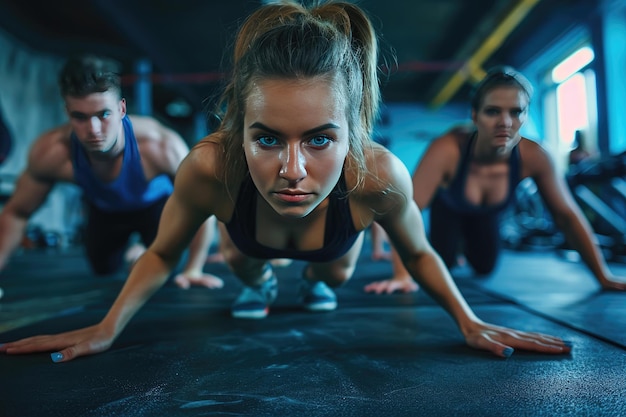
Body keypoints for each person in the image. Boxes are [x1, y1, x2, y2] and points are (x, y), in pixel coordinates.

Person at [0, 2, 571, 363]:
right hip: (249, 245)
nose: (292, 170)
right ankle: (261, 284)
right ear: (238, 127)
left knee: (333, 272)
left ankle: (315, 283)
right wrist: (107, 328)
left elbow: (419, 254)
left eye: (320, 139)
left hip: (332, 250)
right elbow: (162, 252)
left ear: (352, 133)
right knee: (245, 262)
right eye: (267, 138)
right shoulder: (208, 168)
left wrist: (468, 322)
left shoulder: (379, 176)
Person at [364, 66, 626, 295]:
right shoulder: (447, 149)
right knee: (442, 265)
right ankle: (452, 251)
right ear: (475, 116)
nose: (505, 122)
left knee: (484, 267)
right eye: (492, 112)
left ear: (525, 115)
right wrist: (402, 274)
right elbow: (404, 213)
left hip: (487, 217)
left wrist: (603, 276)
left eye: (516, 112)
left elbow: (567, 216)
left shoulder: (534, 156)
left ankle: (464, 250)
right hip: (449, 211)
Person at [0, 54, 223, 289]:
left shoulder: (160, 146)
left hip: (156, 207)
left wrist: (194, 268)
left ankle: (145, 251)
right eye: (80, 117)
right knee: (103, 268)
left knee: (170, 268)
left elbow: (200, 206)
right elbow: (17, 213)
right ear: (68, 113)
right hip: (105, 210)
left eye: (103, 114)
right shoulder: (53, 152)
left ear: (121, 109)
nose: (93, 129)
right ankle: (132, 252)